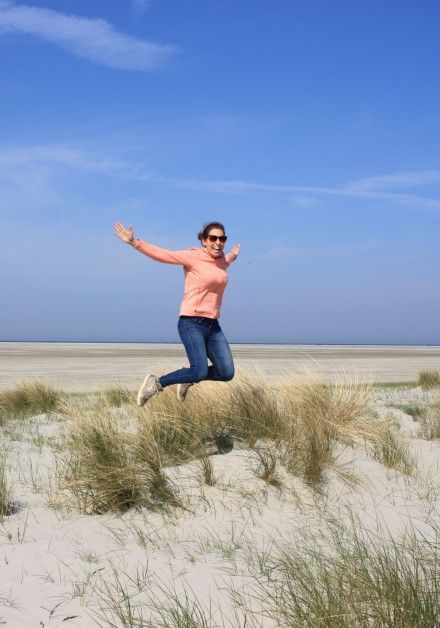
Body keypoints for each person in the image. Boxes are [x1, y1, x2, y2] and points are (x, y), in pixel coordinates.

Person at [114, 220, 241, 406]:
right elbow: (164, 255)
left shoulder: (222, 261)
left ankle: (188, 378)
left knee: (226, 372)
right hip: (191, 323)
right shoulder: (193, 257)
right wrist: (135, 242)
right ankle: (156, 383)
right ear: (204, 240)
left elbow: (225, 263)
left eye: (222, 238)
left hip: (213, 326)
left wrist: (233, 255)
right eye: (213, 238)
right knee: (199, 371)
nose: (218, 242)